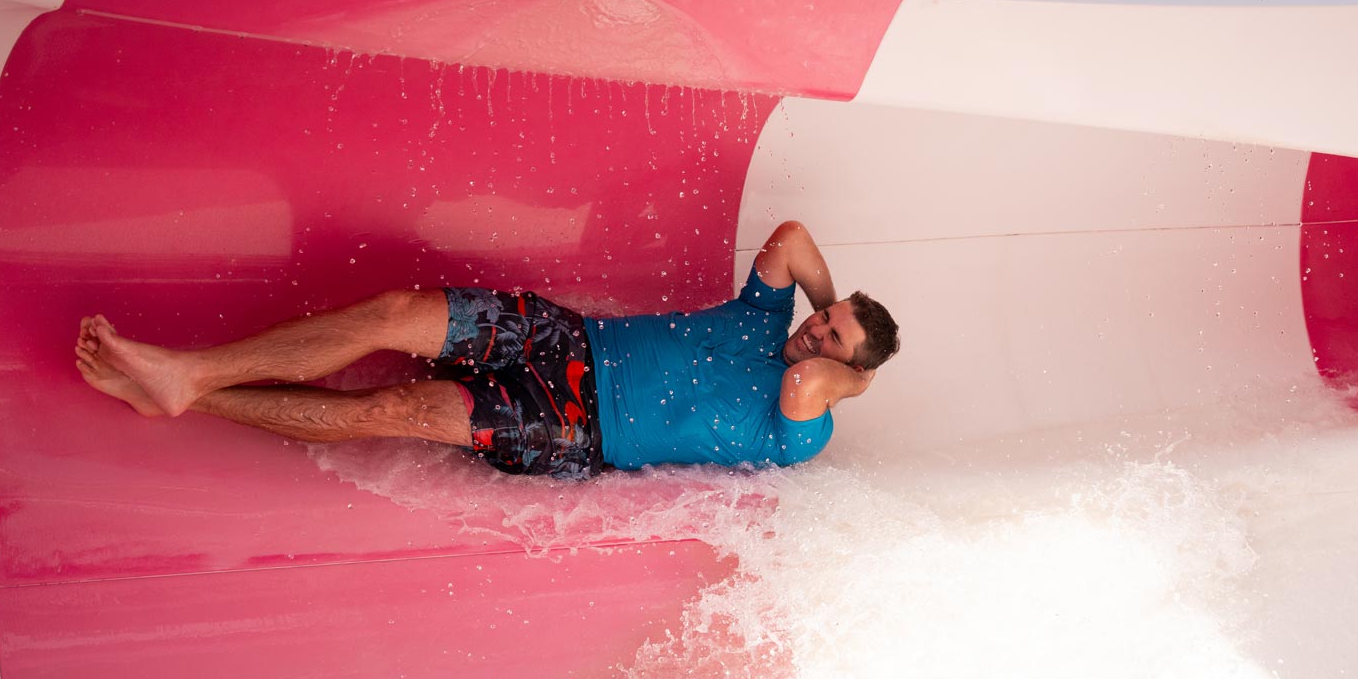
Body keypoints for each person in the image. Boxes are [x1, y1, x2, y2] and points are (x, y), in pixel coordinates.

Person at [74, 220, 899, 477]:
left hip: (574, 428)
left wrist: (851, 378)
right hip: (565, 336)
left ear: (847, 376)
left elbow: (803, 389)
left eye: (831, 343)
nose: (813, 333)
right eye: (825, 320)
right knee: (396, 310)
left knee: (396, 408)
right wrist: (831, 309)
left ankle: (193, 391)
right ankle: (190, 371)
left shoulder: (806, 427)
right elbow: (791, 239)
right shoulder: (767, 318)